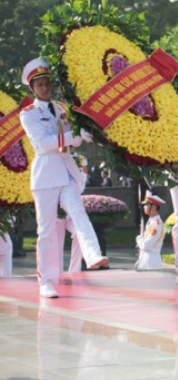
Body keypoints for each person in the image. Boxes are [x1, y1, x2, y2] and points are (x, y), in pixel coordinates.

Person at [19, 58, 109, 298]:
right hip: (45, 173)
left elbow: (75, 139)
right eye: (39, 85)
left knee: (78, 211)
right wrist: (73, 136)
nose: (44, 88)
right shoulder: (28, 114)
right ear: (32, 88)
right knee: (46, 230)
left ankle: (93, 255)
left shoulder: (61, 108)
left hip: (66, 169)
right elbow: (44, 143)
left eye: (47, 83)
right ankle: (46, 280)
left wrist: (78, 136)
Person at [136, 192, 166, 270]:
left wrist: (138, 239)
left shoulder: (157, 224)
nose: (144, 207)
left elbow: (146, 245)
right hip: (145, 260)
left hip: (152, 261)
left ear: (153, 207)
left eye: (146, 205)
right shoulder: (151, 222)